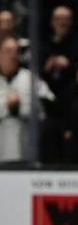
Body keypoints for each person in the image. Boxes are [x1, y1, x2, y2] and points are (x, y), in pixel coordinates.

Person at [0, 36, 53, 164]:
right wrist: (6, 106)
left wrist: (20, 108)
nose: (12, 56)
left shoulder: (30, 79)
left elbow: (48, 107)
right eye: (8, 51)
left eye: (16, 52)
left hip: (27, 144)